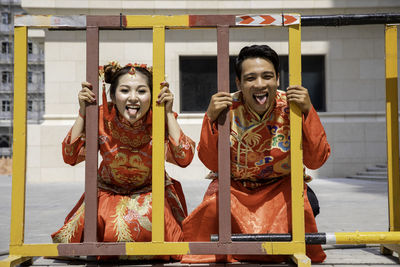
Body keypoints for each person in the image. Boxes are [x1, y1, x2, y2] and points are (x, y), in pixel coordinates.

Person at [182, 45, 330, 263]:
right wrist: (211, 118)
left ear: (278, 79)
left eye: (267, 76)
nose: (260, 84)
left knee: (304, 204)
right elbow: (211, 161)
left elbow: (316, 160)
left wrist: (308, 111)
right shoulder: (227, 107)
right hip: (236, 188)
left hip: (281, 187)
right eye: (251, 78)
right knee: (213, 209)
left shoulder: (293, 106)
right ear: (239, 83)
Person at [51, 62, 195, 261]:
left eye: (142, 91)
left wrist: (169, 113)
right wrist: (83, 112)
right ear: (112, 95)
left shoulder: (159, 117)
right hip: (107, 193)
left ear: (153, 96)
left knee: (154, 225)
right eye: (125, 90)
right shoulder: (99, 117)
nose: (133, 98)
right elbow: (71, 156)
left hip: (151, 192)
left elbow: (184, 158)